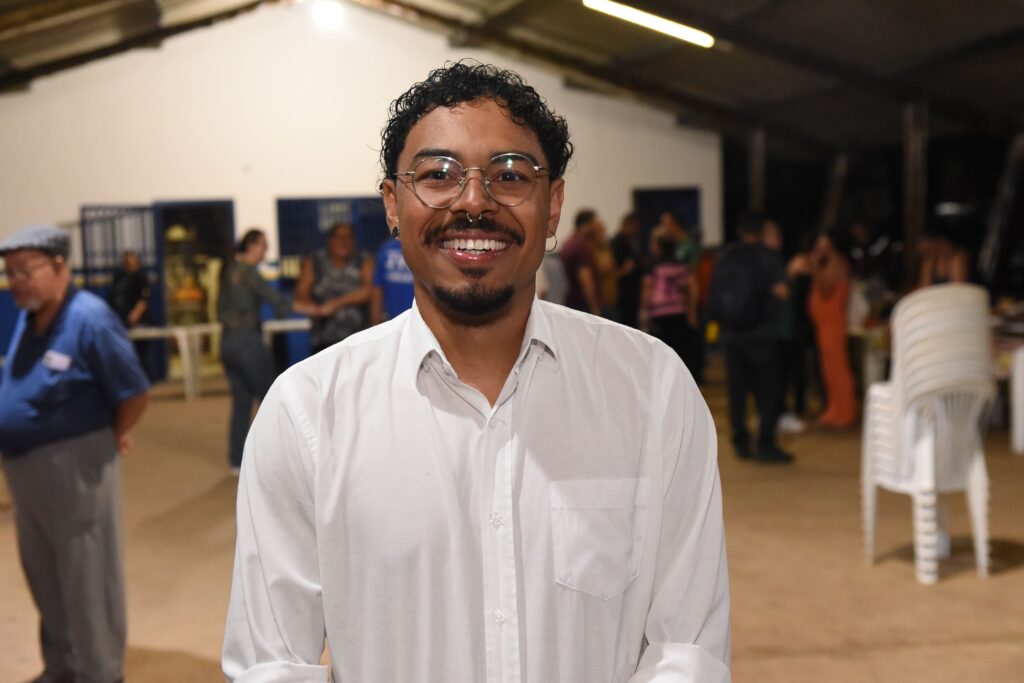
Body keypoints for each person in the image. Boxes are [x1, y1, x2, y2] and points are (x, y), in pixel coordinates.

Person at [223, 61, 731, 682]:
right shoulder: (307, 413)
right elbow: (273, 665)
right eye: (437, 175)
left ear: (554, 205)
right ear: (392, 204)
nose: (473, 201)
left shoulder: (652, 390)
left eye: (510, 175)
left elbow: (688, 652)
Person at [0, 224, 149, 683]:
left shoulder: (91, 318)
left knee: (88, 581)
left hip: (76, 470)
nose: (16, 281)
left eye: (26, 270)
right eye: (10, 273)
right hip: (27, 474)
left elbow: (134, 393)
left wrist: (107, 438)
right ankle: (62, 667)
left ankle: (100, 672)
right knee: (45, 576)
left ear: (59, 265)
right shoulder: (29, 315)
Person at [708, 213, 792, 463]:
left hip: (733, 334)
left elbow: (715, 294)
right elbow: (783, 291)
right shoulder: (768, 258)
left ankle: (741, 440)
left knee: (737, 391)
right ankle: (765, 443)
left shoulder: (726, 256)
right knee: (768, 391)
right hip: (762, 334)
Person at [217, 229, 293, 475]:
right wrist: (302, 307)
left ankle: (236, 461)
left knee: (241, 402)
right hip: (247, 341)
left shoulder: (229, 271)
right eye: (262, 245)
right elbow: (274, 299)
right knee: (272, 397)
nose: (265, 250)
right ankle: (281, 457)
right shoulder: (249, 273)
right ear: (250, 245)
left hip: (227, 341)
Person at [294, 222, 374, 353]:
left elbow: (368, 291)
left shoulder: (364, 260)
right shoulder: (315, 261)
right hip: (324, 339)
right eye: (339, 237)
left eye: (348, 237)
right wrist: (313, 308)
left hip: (358, 339)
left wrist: (336, 304)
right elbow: (301, 293)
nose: (344, 242)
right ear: (330, 240)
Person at [808, 233, 857, 428]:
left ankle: (846, 410)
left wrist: (813, 268)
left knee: (838, 368)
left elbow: (826, 288)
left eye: (823, 245)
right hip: (824, 325)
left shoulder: (837, 264)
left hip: (834, 324)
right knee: (828, 369)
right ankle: (834, 407)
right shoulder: (825, 263)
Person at [107, 249, 156, 379]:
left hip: (138, 322)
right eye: (129, 260)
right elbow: (112, 298)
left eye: (135, 260)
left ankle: (145, 379)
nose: (133, 263)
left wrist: (135, 315)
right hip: (121, 322)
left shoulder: (141, 278)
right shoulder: (119, 277)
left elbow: (143, 300)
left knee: (140, 352)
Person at [559, 209, 602, 314]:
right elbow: (585, 279)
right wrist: (594, 307)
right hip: (582, 305)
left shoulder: (569, 242)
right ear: (585, 226)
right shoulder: (580, 246)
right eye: (594, 224)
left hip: (572, 303)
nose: (597, 228)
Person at [370, 235, 415, 325]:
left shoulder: (423, 249)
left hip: (417, 319)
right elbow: (377, 288)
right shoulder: (385, 249)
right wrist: (375, 322)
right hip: (390, 320)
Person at [610, 211, 642, 327]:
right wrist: (625, 270)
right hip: (622, 292)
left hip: (632, 290)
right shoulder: (617, 242)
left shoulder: (633, 240)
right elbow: (614, 270)